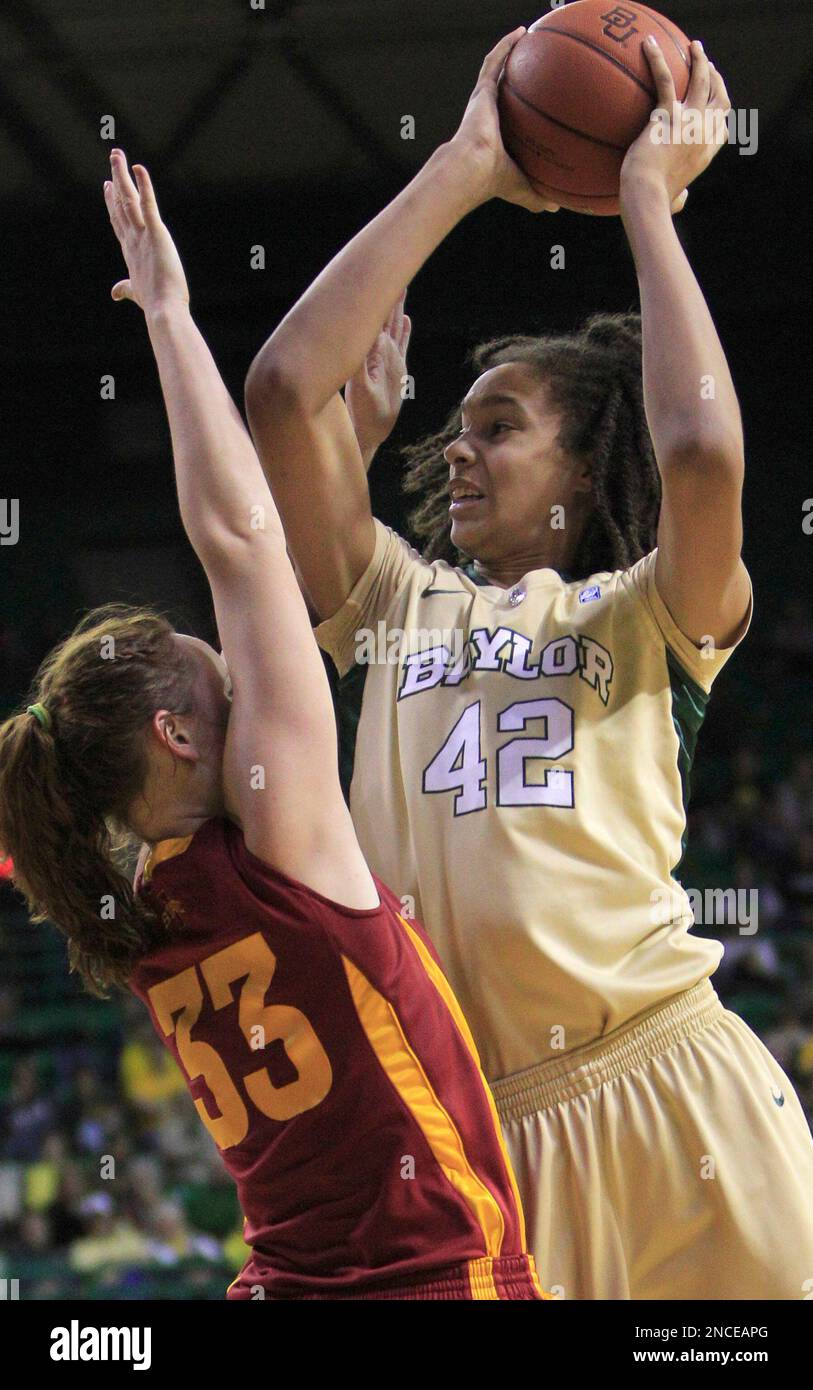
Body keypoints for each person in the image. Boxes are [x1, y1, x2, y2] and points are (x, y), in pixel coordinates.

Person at [245, 30, 813, 1297]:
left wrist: (643, 206)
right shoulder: (394, 603)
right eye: (452, 427)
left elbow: (705, 460)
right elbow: (285, 388)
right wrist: (461, 164)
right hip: (482, 1141)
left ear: (584, 460)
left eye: (497, 427)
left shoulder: (648, 610)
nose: (456, 450)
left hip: (673, 1087)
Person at [0, 150, 543, 1301]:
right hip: (421, 1283)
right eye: (220, 673)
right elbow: (242, 546)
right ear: (180, 736)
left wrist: (340, 452)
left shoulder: (154, 907)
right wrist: (169, 316)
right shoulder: (278, 851)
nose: (251, 670)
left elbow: (274, 589)